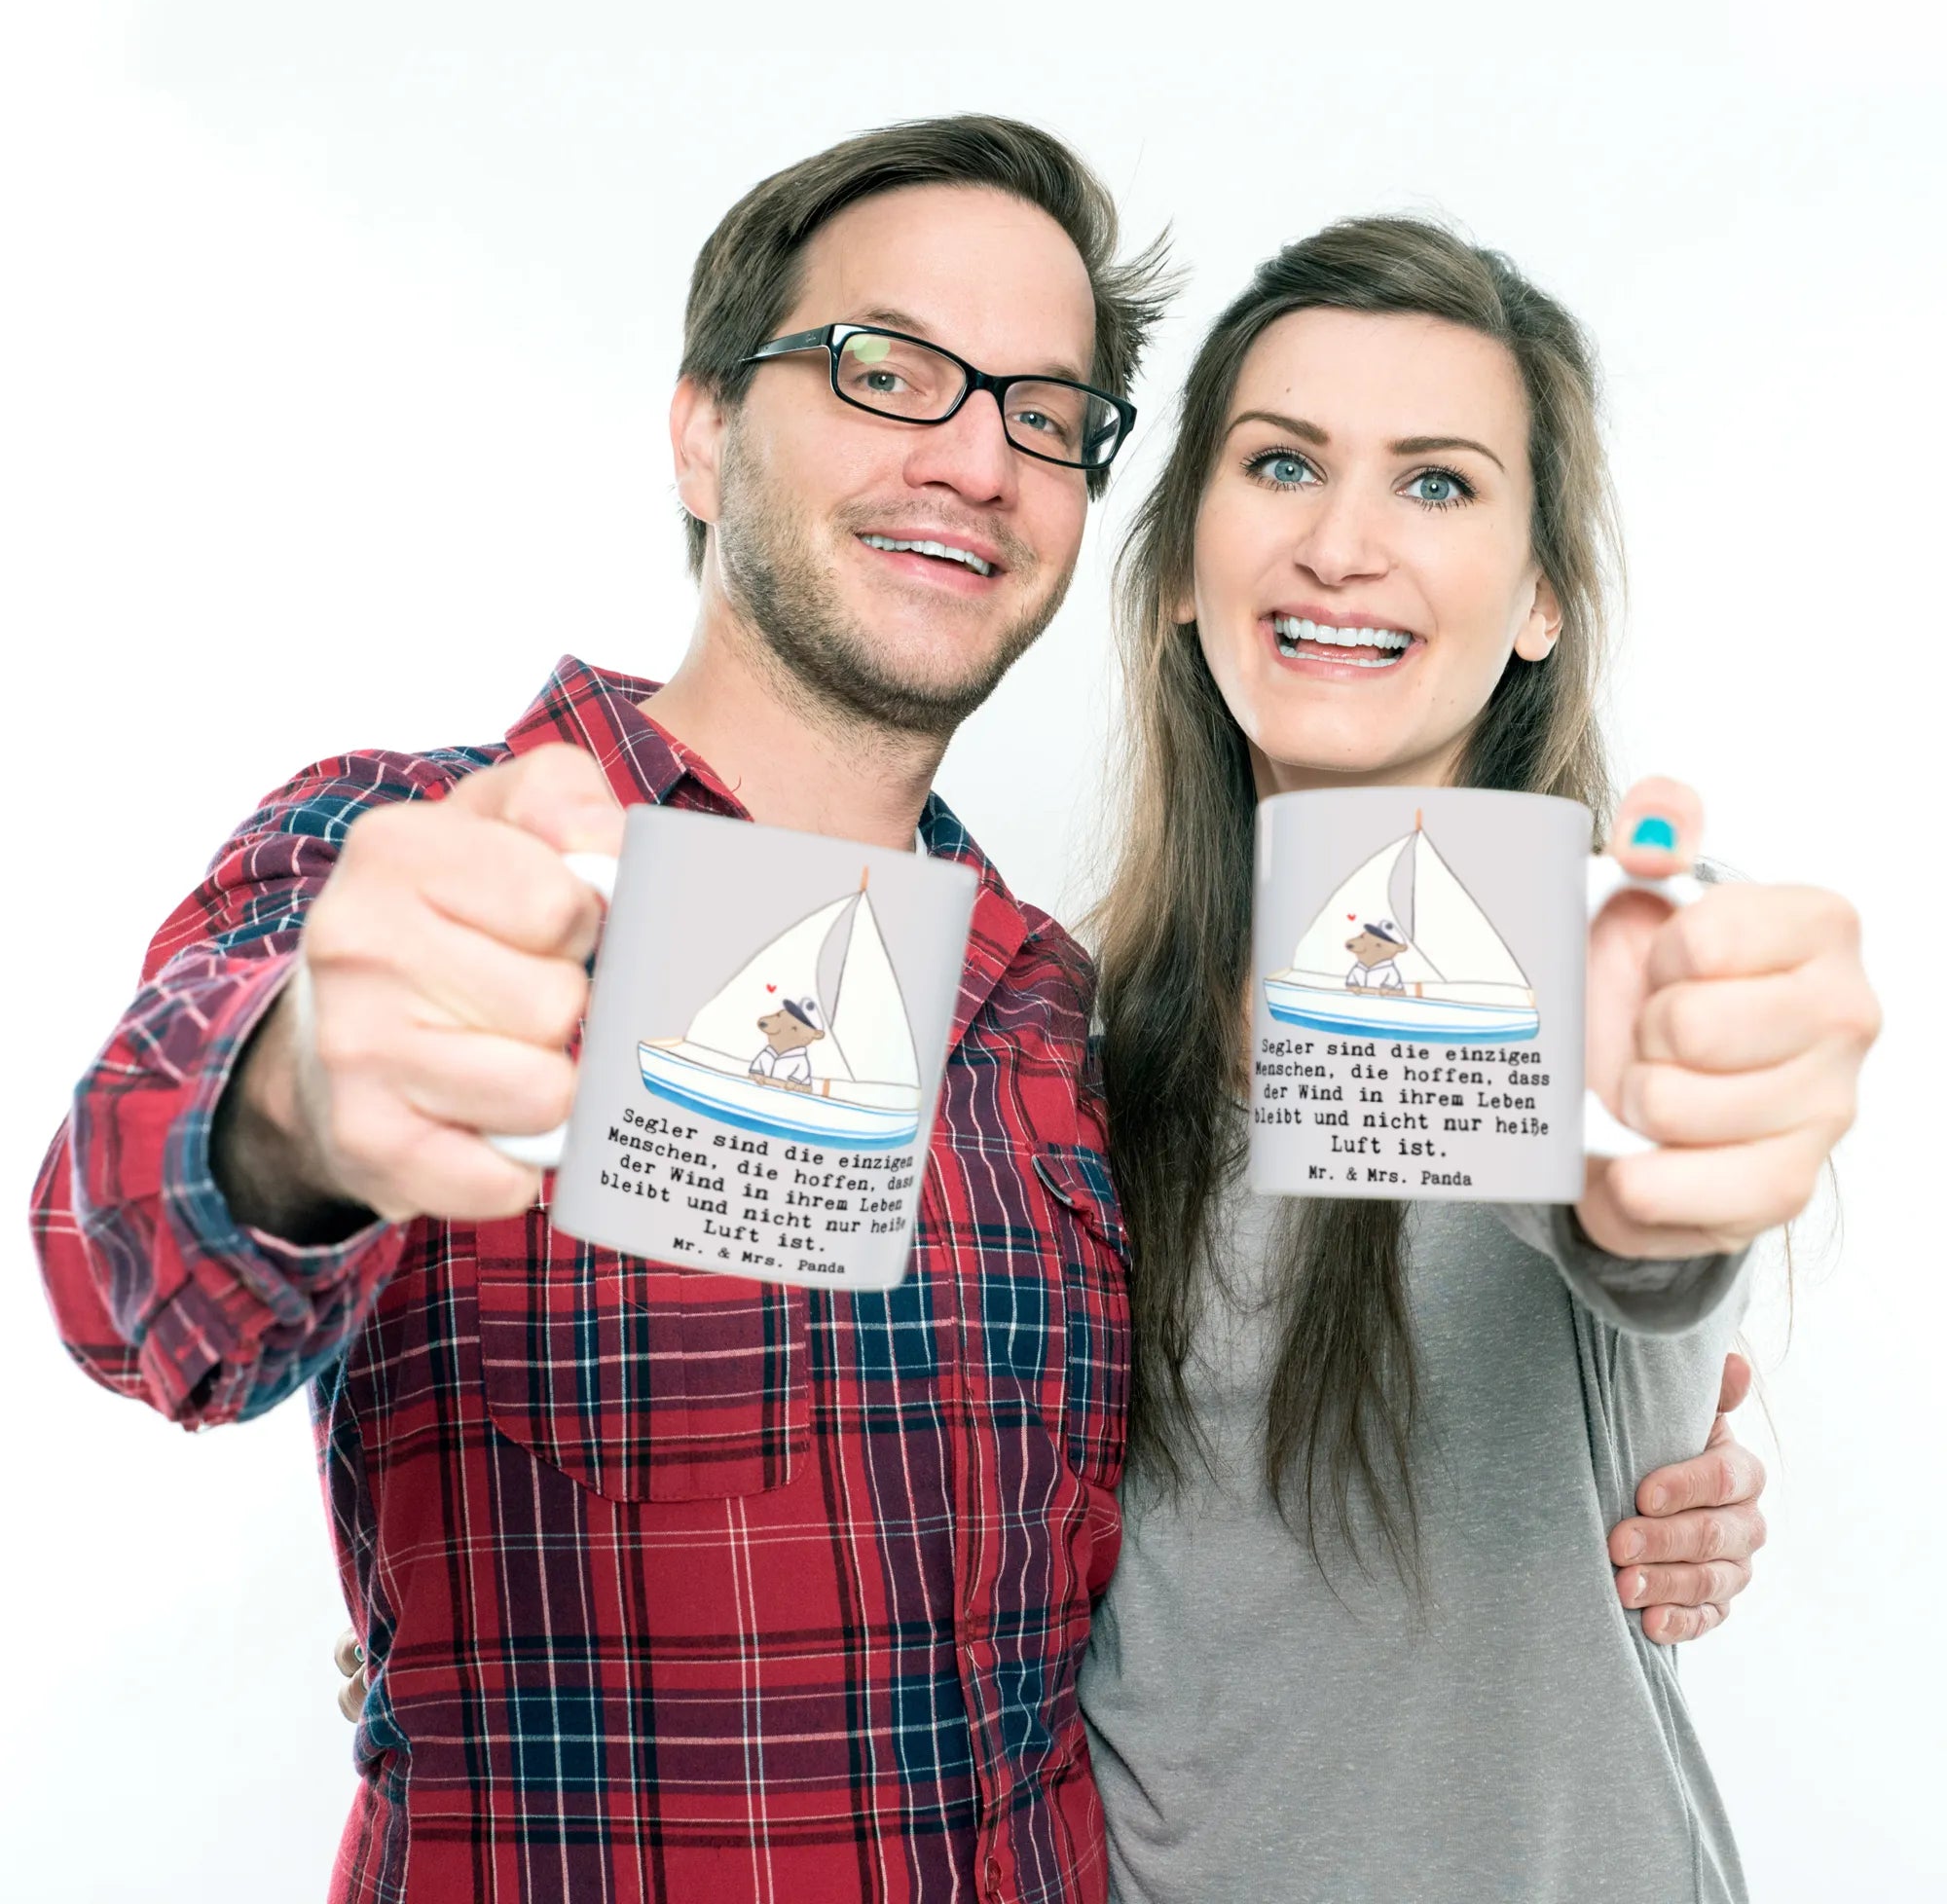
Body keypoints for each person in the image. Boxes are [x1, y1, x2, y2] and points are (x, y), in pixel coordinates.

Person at [35, 116, 1770, 1904]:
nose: (974, 457)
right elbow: (123, 1256)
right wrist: (298, 1104)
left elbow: (1576, 1239)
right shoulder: (426, 857)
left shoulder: (1052, 1020)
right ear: (704, 428)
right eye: (887, 370)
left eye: (1042, 412)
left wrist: (1657, 1379)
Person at [1081, 217, 1881, 1901]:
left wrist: (1679, 1150)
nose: (1342, 545)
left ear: (1539, 601)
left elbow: (1637, 1215)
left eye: (1437, 483)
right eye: (1282, 464)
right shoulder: (1068, 1042)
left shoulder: (1607, 961)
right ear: (1178, 569)